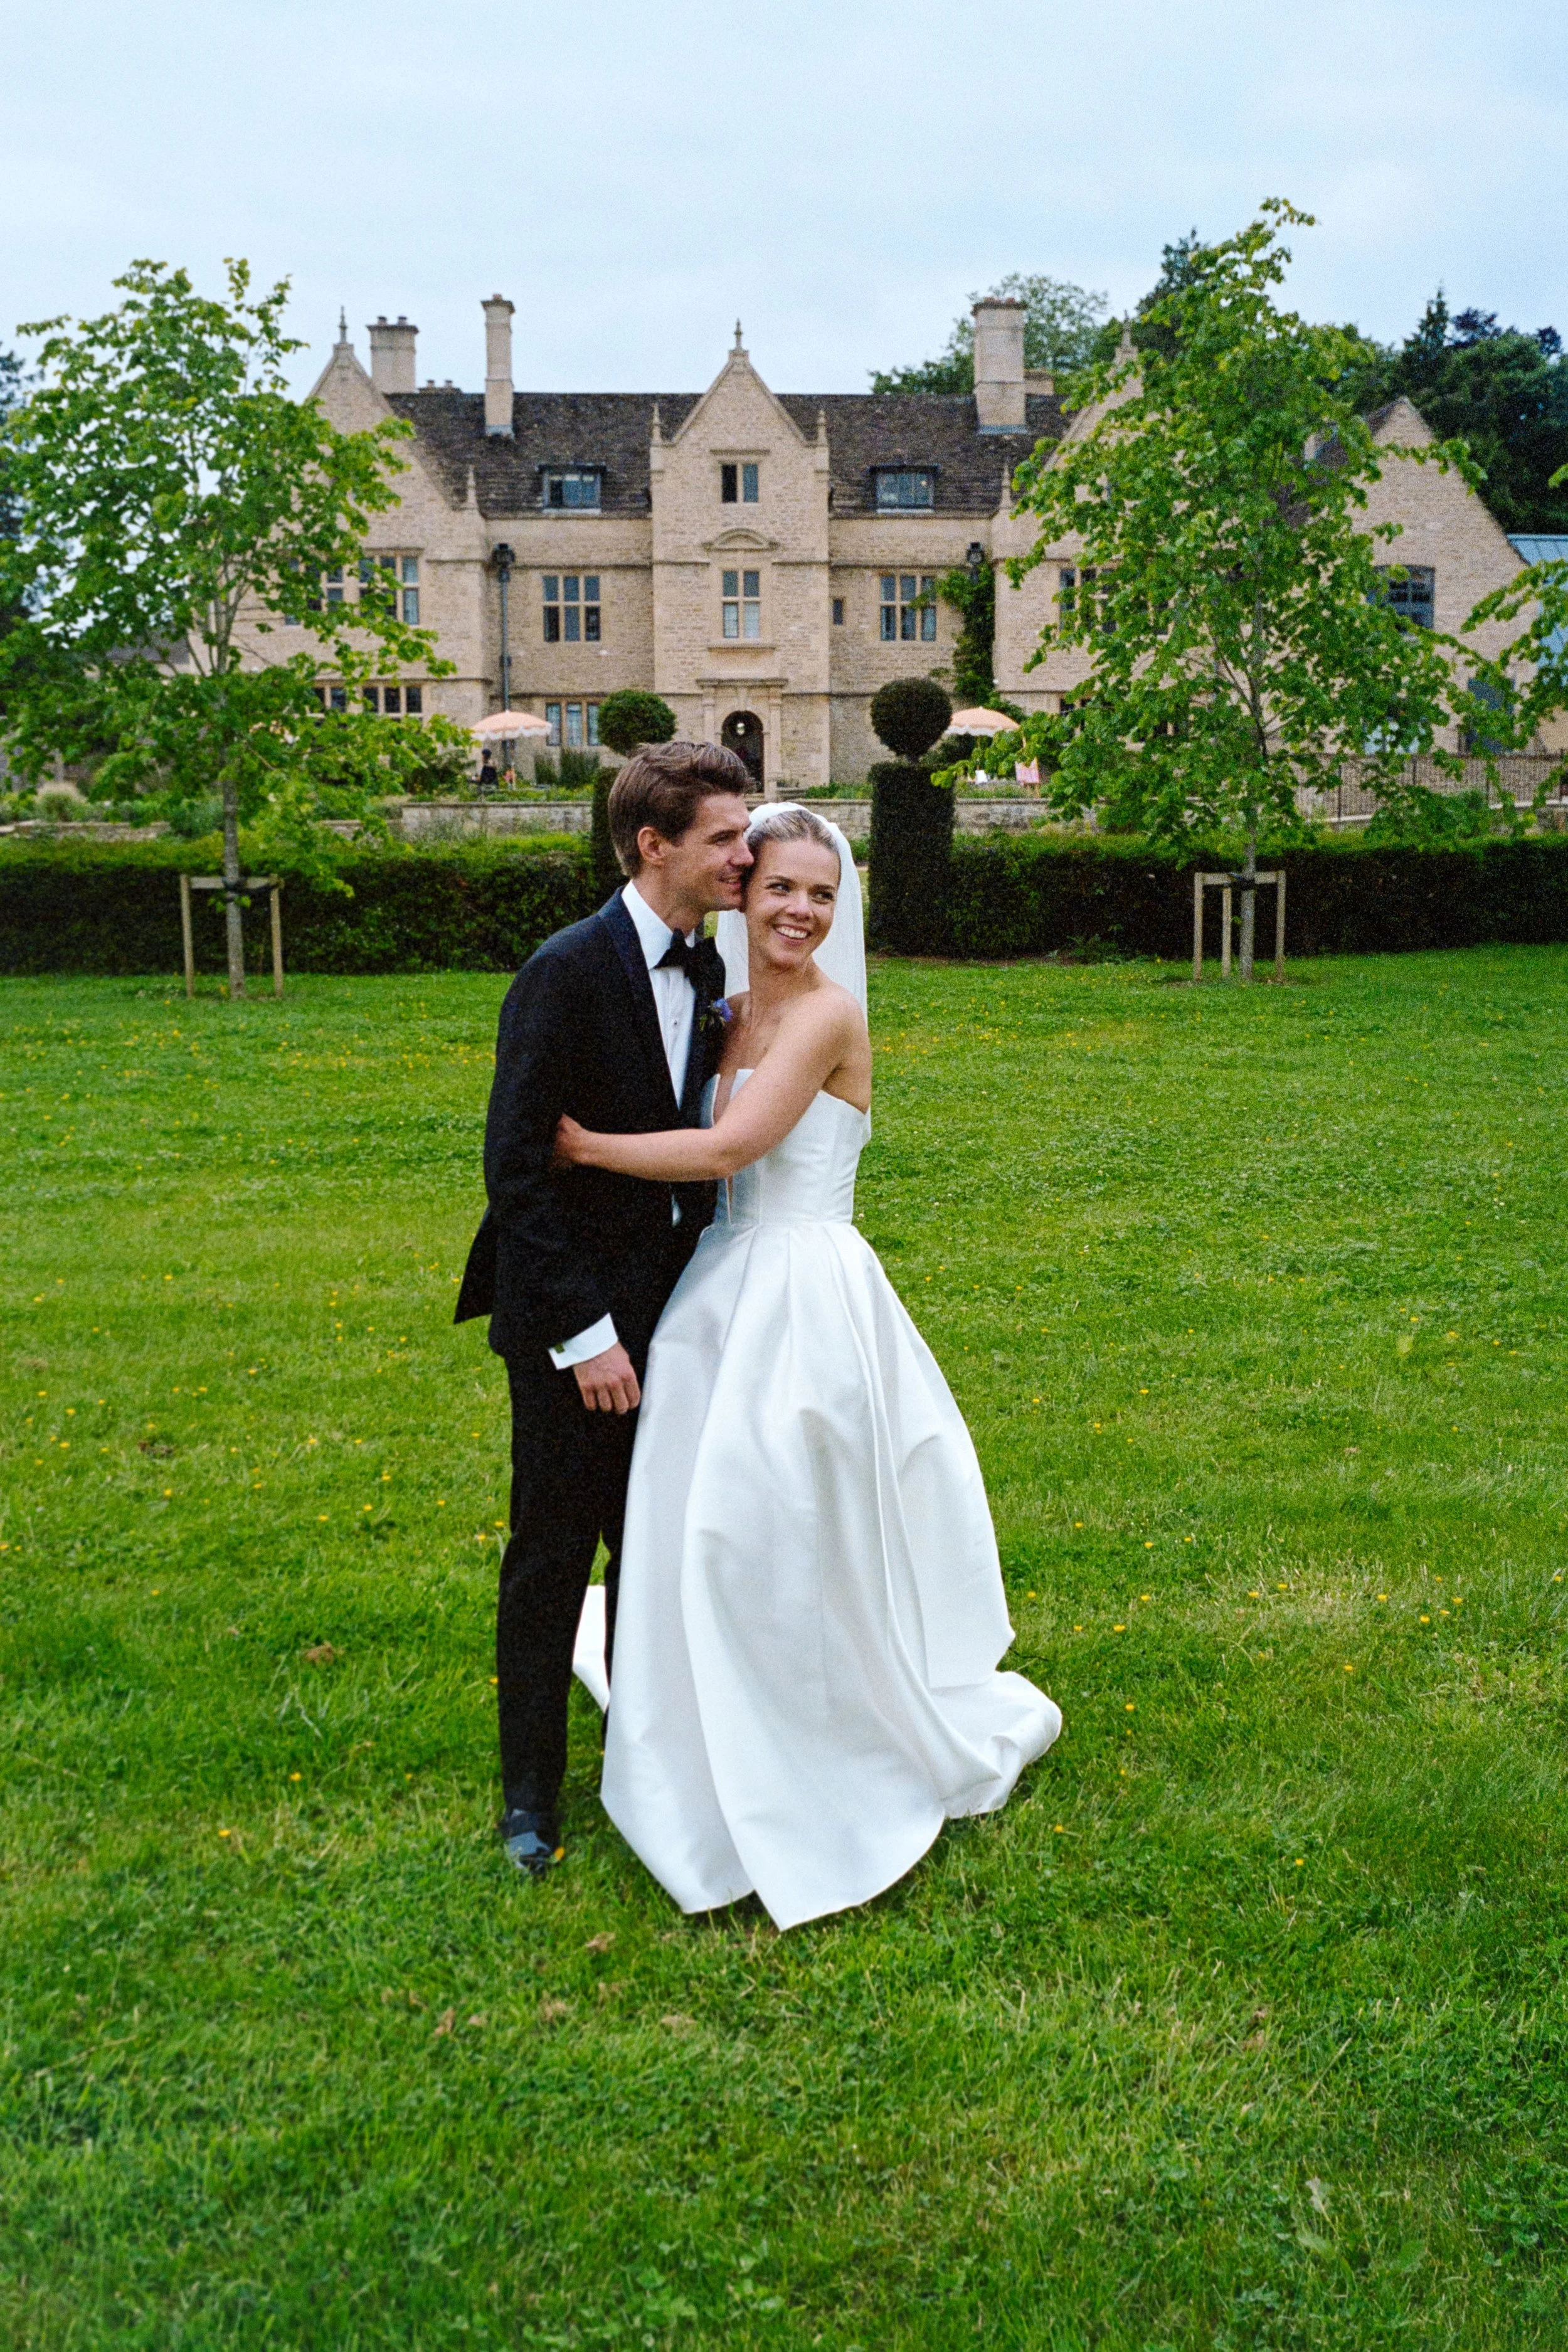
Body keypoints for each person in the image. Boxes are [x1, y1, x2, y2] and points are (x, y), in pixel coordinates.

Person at [556, 804, 1061, 1930]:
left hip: (808, 1292)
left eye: (822, 896)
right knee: (698, 1520)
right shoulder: (723, 1012)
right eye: (780, 887)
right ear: (743, 893)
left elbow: (734, 1148)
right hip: (718, 1290)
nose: (800, 911)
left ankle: (813, 1735)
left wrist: (584, 1146)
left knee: (771, 1518)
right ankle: (710, 1715)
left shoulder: (828, 1017)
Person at [454, 741, 754, 1875]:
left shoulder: (712, 968)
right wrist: (586, 1338)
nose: (744, 854)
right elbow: (517, 1173)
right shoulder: (565, 971)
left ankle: (646, 1752)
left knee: (656, 1545)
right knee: (552, 1549)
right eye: (724, 838)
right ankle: (530, 1795)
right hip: (568, 1317)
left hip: (677, 1314)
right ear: (653, 845)